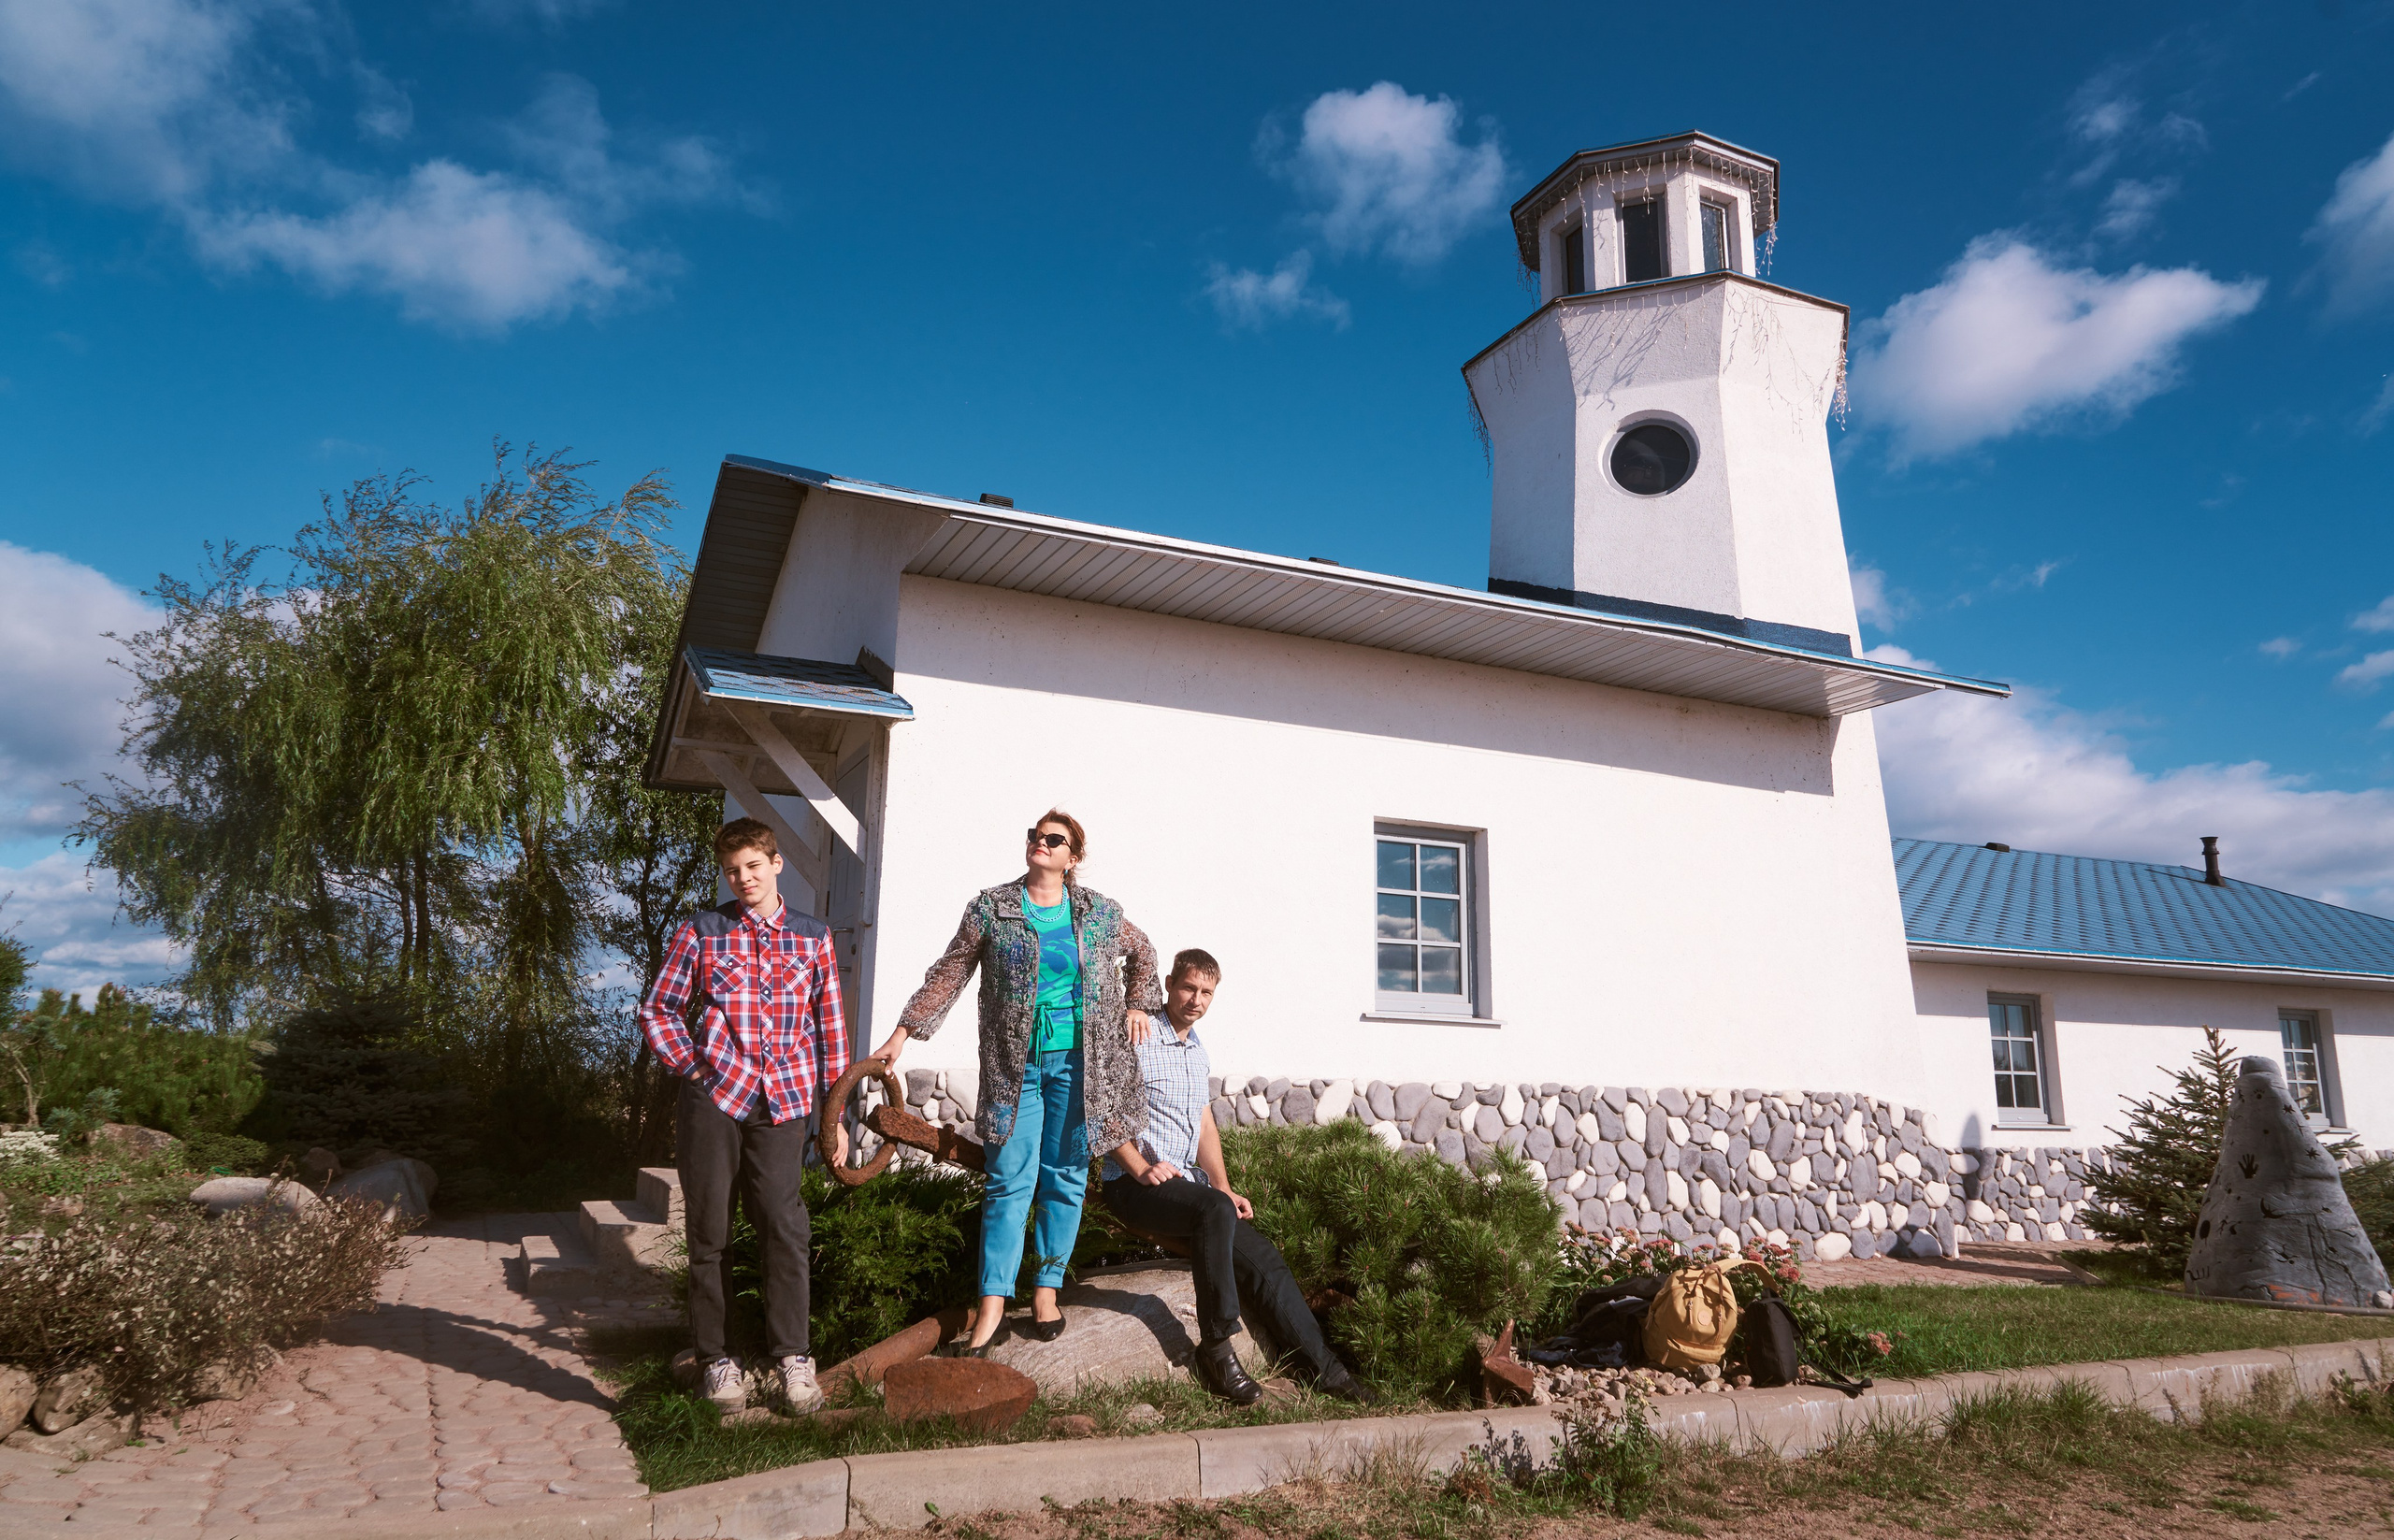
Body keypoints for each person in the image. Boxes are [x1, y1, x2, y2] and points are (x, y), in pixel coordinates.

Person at [871, 810, 1161, 1355]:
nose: (1040, 844)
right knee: (1008, 1180)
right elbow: (950, 972)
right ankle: (992, 1308)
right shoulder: (992, 909)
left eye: (1054, 840)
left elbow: (1144, 953)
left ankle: (1047, 1292)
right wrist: (901, 1034)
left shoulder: (1099, 913)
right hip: (1016, 1068)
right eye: (1035, 836)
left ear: (1073, 857)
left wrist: (1140, 1003)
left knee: (1065, 1177)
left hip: (1083, 1066)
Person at [639, 818, 848, 1415]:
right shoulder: (703, 931)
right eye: (733, 870)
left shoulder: (814, 937)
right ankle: (717, 1361)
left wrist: (832, 1119)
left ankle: (793, 1361)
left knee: (785, 1226)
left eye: (754, 866)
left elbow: (830, 1032)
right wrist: (695, 1067)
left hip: (784, 1102)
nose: (744, 878)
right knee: (710, 1231)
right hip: (715, 1100)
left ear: (776, 864)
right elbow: (658, 1009)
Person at [1102, 949, 1373, 1405]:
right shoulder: (1138, 1034)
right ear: (1168, 983)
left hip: (1186, 1185)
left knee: (1264, 1258)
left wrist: (1223, 1186)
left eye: (1206, 992)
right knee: (1212, 1209)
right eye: (1188, 988)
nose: (1196, 1000)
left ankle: (1327, 1372)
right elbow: (1101, 1112)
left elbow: (1203, 1121)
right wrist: (1141, 1167)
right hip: (1132, 1184)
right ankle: (1217, 1349)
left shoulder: (1195, 1048)